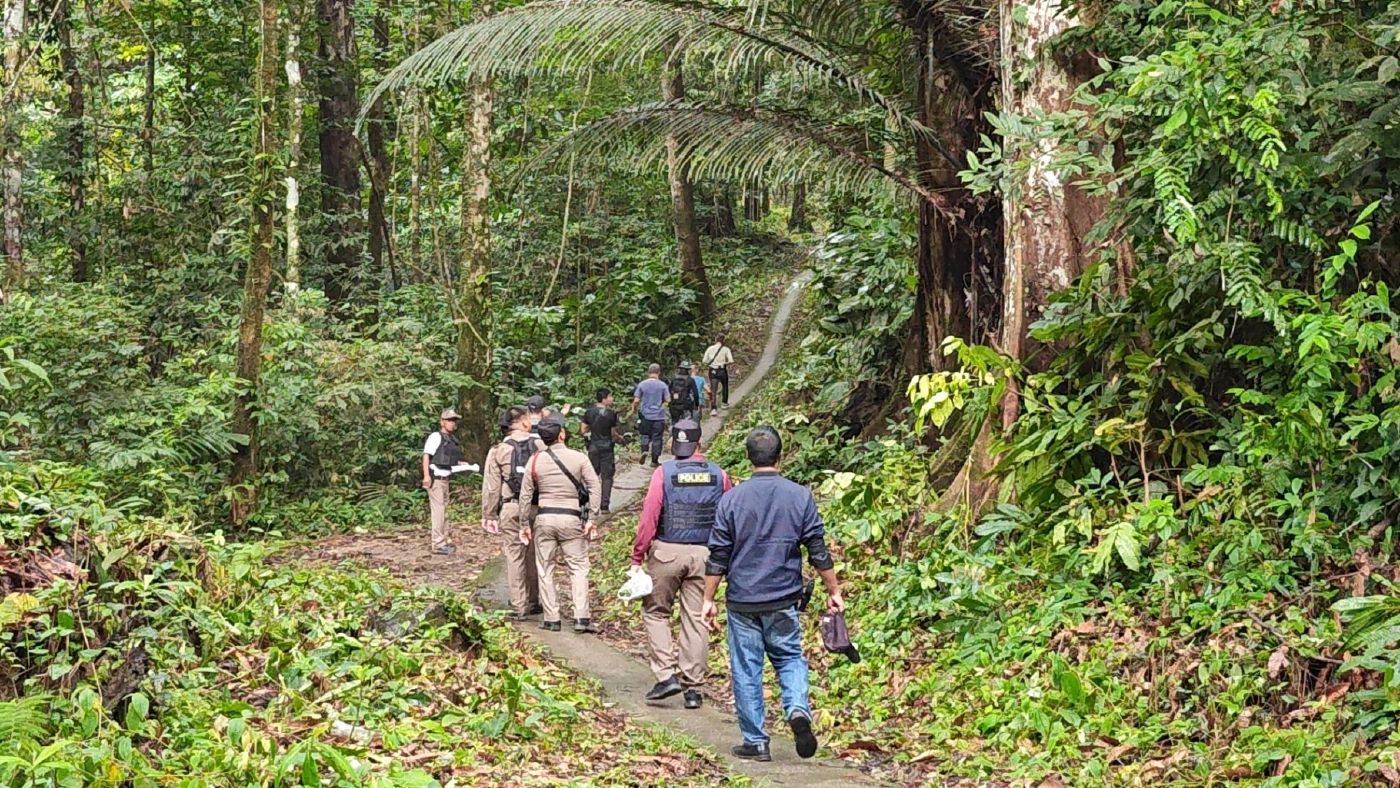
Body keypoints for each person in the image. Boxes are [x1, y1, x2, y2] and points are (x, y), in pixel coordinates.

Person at [702, 426, 845, 763]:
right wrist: (833, 590)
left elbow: (718, 554)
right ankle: (797, 707)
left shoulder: (731, 499)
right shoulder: (800, 496)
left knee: (747, 667)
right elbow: (818, 549)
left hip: (742, 599)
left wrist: (708, 599)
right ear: (781, 457)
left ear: (749, 459)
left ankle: (756, 741)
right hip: (784, 598)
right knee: (790, 657)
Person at [631, 419, 731, 710]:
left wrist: (638, 557)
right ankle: (693, 688)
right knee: (697, 617)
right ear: (700, 443)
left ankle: (665, 675)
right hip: (705, 556)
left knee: (655, 611)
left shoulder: (664, 473)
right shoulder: (719, 475)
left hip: (666, 553)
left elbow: (650, 515)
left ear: (675, 445)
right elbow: (728, 517)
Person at [521, 415, 602, 634]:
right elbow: (595, 486)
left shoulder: (535, 460)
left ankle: (551, 617)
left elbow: (525, 495)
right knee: (578, 567)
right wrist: (592, 519)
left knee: (545, 567)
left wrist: (523, 524)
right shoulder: (578, 457)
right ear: (562, 434)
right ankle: (581, 618)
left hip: (545, 518)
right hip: (571, 517)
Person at [482, 406, 543, 621]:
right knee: (534, 553)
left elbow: (491, 487)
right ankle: (535, 599)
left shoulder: (498, 450)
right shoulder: (540, 445)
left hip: (511, 506)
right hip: (537, 507)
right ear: (523, 421)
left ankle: (519, 605)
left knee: (514, 555)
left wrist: (489, 514)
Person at [421, 408, 462, 555]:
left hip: (445, 479)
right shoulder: (435, 437)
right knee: (438, 511)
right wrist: (426, 476)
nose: (452, 423)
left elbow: (448, 460)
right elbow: (426, 455)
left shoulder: (451, 440)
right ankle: (437, 543)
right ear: (442, 422)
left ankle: (443, 540)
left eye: (454, 421)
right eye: (449, 420)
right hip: (436, 479)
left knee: (444, 511)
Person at [581, 388, 625, 513]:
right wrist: (619, 438)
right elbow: (613, 433)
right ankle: (604, 505)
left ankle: (591, 503)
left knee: (592, 476)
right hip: (607, 447)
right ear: (604, 398)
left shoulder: (589, 412)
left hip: (593, 447)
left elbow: (583, 430)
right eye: (610, 396)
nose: (612, 399)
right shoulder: (611, 414)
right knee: (607, 477)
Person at [629, 364, 670, 467]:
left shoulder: (642, 384)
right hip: (658, 416)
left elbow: (636, 400)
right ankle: (654, 461)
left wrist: (633, 409)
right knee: (657, 438)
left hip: (645, 415)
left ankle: (644, 450)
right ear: (659, 373)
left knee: (645, 434)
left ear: (648, 372)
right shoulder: (663, 385)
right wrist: (661, 403)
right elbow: (668, 399)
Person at [702, 334, 735, 416]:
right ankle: (724, 403)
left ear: (716, 339)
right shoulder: (726, 349)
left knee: (713, 389)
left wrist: (712, 361)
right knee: (725, 386)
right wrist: (724, 363)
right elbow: (731, 360)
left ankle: (713, 408)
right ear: (723, 340)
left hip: (713, 370)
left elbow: (704, 361)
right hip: (722, 370)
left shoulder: (710, 349)